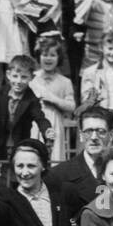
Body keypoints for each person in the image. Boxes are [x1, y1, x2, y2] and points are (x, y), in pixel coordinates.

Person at [0, 53, 51, 164]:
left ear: (31, 77)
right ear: (8, 75)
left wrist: (47, 130)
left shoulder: (31, 99)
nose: (18, 81)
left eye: (24, 77)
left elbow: (40, 118)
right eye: (15, 76)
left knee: (13, 174)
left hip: (19, 144)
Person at [31, 32, 76, 164]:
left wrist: (53, 99)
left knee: (54, 160)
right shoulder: (32, 78)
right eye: (45, 55)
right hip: (34, 123)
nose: (48, 59)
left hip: (55, 122)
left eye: (52, 55)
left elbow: (71, 107)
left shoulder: (64, 81)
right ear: (39, 56)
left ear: (59, 58)